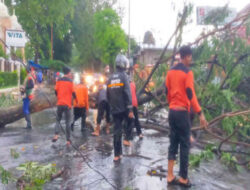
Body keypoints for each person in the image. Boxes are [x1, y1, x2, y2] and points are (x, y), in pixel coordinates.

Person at [165, 45, 208, 187]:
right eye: (190, 56)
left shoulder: (170, 71)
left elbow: (167, 91)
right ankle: (183, 178)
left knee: (173, 143)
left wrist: (171, 103)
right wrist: (200, 113)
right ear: (187, 56)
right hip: (182, 112)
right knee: (184, 145)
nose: (191, 59)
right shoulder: (188, 73)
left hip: (172, 112)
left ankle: (170, 176)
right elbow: (190, 93)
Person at [107, 54, 134, 162]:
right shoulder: (124, 76)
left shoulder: (110, 78)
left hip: (114, 109)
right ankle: (127, 140)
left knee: (116, 131)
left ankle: (117, 154)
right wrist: (130, 109)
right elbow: (128, 93)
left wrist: (111, 108)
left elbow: (108, 95)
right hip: (123, 109)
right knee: (130, 122)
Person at [52, 67, 76, 146]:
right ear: (68, 73)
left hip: (60, 103)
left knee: (58, 120)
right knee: (68, 122)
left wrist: (58, 97)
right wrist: (76, 99)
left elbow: (55, 91)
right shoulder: (70, 81)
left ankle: (56, 134)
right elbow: (73, 93)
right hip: (67, 105)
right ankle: (68, 140)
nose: (71, 74)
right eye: (70, 73)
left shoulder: (59, 80)